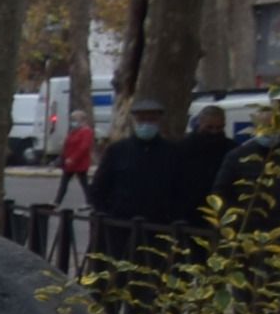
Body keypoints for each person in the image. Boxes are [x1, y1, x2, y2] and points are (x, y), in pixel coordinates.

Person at [89, 93, 214, 270]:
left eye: (151, 119)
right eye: (142, 118)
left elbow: (183, 189)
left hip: (158, 229)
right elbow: (99, 188)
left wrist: (175, 217)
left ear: (159, 121)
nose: (146, 123)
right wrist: (106, 214)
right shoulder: (118, 151)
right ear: (134, 120)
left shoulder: (172, 153)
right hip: (120, 228)